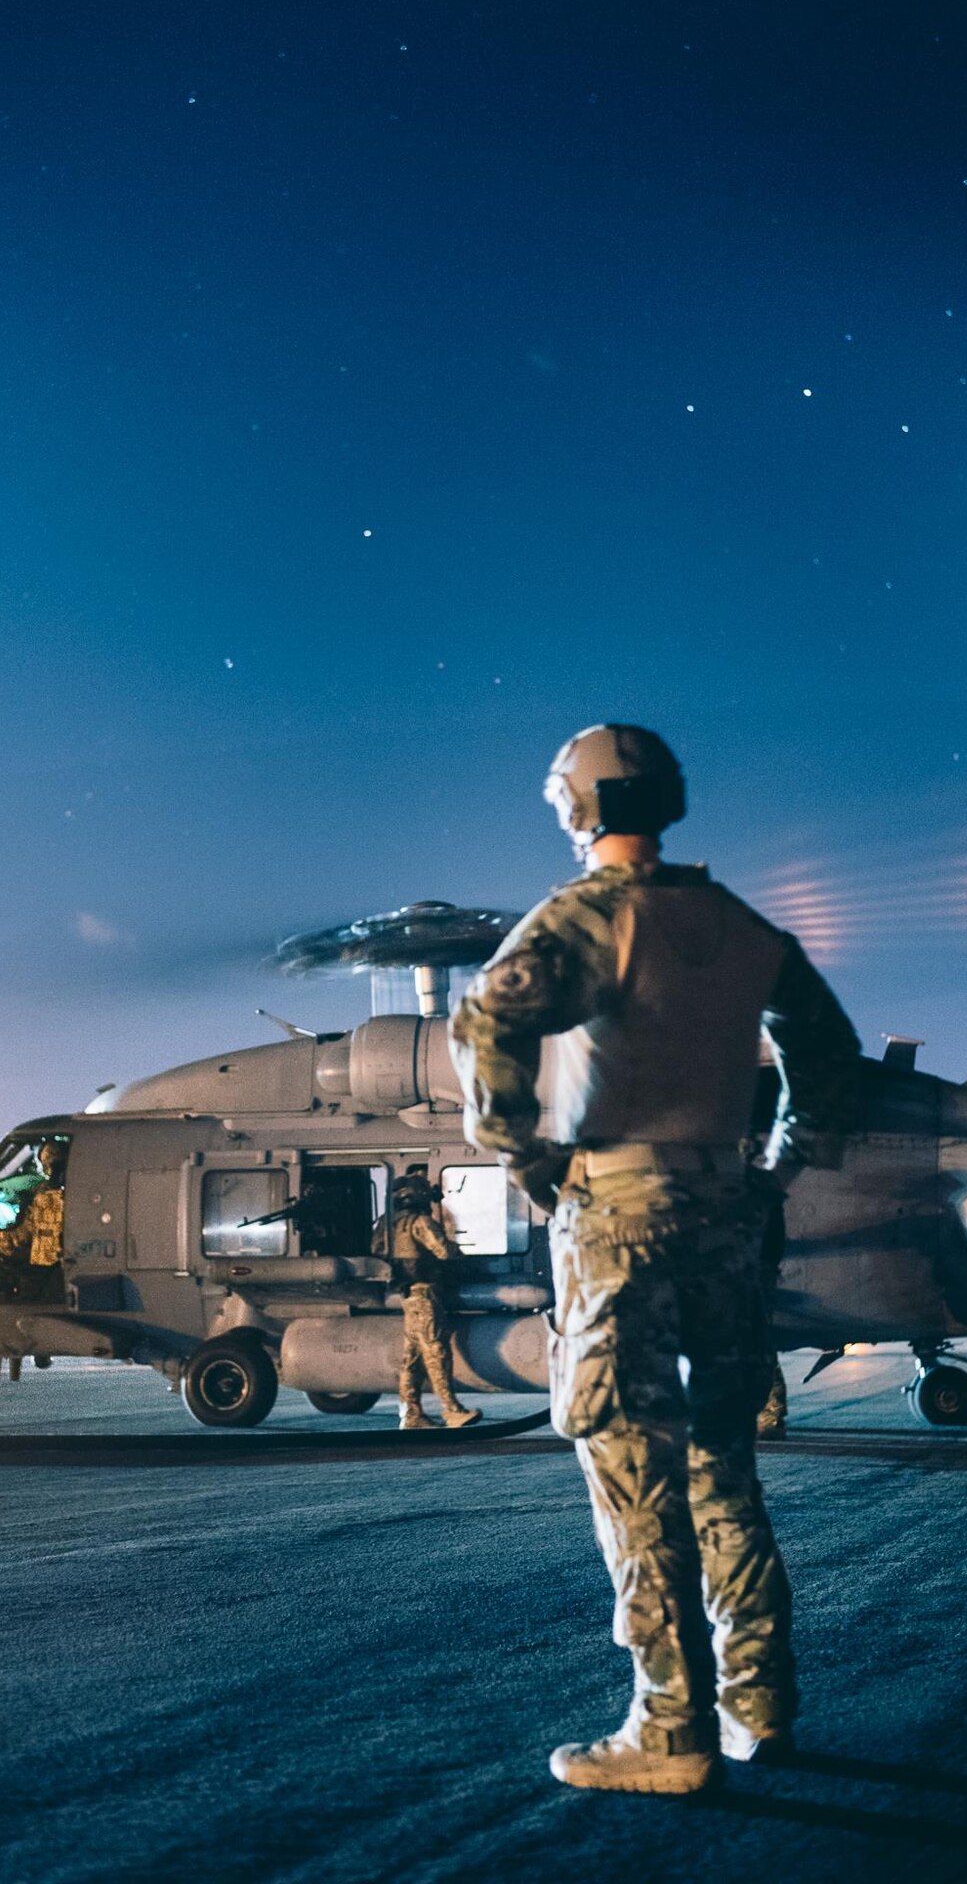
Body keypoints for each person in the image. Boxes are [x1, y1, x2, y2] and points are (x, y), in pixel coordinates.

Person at [450, 724, 861, 1794]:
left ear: (582, 807)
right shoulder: (741, 924)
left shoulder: (588, 918)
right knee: (724, 1460)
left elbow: (485, 1016)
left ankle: (667, 1727)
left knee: (633, 1468)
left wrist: (527, 1157)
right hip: (723, 1215)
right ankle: (758, 1703)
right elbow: (826, 1052)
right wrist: (777, 1166)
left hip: (616, 1217)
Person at [390, 1167, 482, 1432]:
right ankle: (451, 1411)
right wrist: (462, 1253)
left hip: (407, 1295)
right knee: (436, 1353)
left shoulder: (392, 1223)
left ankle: (411, 1414)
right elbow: (444, 1251)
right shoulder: (420, 1223)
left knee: (413, 1358)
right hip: (425, 1295)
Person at [0, 1138, 67, 1297]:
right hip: (47, 1258)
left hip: (37, 1260)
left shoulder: (49, 1194)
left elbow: (25, 1238)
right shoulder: (63, 1188)